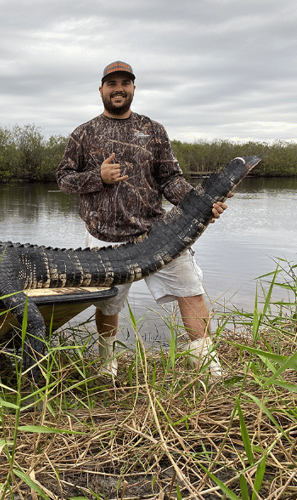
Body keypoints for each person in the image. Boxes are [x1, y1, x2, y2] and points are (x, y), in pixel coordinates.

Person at [56, 61, 226, 382]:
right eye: (112, 83)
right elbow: (64, 179)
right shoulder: (83, 133)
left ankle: (208, 368)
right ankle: (108, 364)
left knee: (191, 292)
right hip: (106, 239)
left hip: (157, 233)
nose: (118, 88)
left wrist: (200, 205)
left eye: (125, 82)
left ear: (133, 88)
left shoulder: (153, 130)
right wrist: (98, 177)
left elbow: (171, 179)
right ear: (101, 89)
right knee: (108, 304)